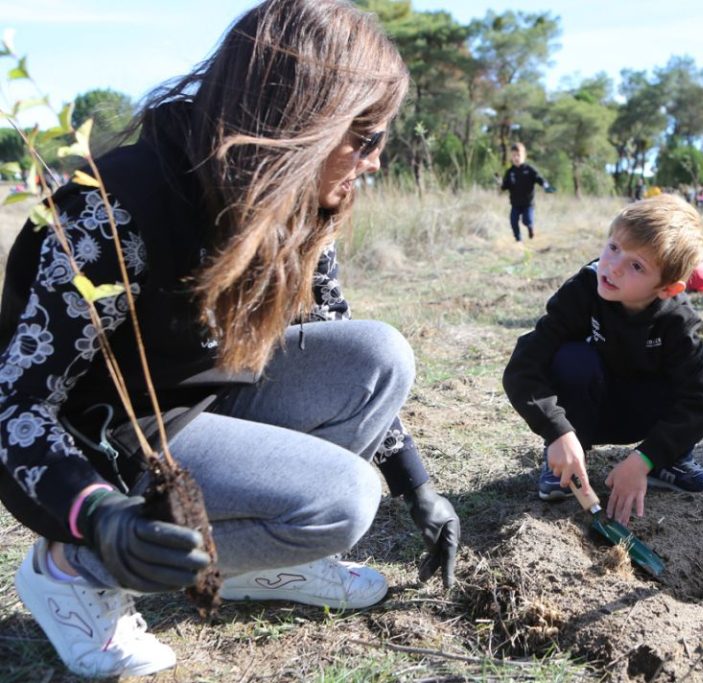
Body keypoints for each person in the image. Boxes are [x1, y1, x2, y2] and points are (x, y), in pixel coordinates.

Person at [0, 1, 459, 677]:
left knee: (380, 355)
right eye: (363, 140)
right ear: (301, 120)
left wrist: (414, 481)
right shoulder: (112, 207)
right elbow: (16, 407)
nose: (374, 163)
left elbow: (329, 332)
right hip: (125, 442)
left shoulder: (299, 201)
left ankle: (265, 560)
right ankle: (76, 571)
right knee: (342, 499)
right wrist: (95, 515)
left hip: (219, 401)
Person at [502, 194, 703, 527]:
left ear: (668, 288)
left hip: (645, 412)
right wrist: (556, 431)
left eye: (637, 266)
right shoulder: (584, 288)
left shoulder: (676, 320)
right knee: (573, 358)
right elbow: (523, 365)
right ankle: (568, 459)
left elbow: (696, 401)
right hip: (587, 410)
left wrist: (645, 459)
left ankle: (670, 462)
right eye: (613, 248)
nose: (613, 267)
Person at [500, 142, 551, 241]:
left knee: (526, 220)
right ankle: (518, 240)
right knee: (513, 221)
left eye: (518, 155)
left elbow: (539, 178)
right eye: (514, 155)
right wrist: (501, 185)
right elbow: (505, 186)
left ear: (524, 156)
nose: (516, 158)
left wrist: (545, 185)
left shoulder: (529, 169)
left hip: (528, 203)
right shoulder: (510, 172)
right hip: (515, 203)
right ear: (511, 157)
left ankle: (530, 228)